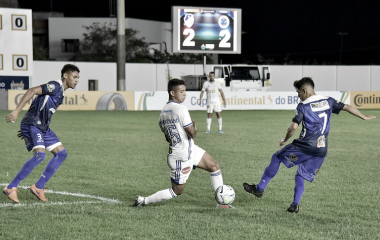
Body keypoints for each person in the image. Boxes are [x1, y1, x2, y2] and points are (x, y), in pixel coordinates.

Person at [243, 77, 376, 213]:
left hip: (304, 146)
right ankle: (295, 204)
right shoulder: (328, 101)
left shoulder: (303, 106)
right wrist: (363, 117)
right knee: (301, 175)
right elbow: (347, 107)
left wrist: (285, 140)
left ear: (304, 90)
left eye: (298, 92)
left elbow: (294, 126)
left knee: (276, 158)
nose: (298, 95)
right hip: (321, 149)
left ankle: (259, 189)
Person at [134, 78, 232, 208]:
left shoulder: (162, 114)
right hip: (181, 156)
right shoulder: (181, 109)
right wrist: (194, 126)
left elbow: (168, 138)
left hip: (189, 149)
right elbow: (192, 133)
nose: (184, 94)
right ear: (172, 93)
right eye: (182, 91)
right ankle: (143, 201)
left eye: (185, 91)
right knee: (177, 191)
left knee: (214, 166)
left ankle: (222, 203)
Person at [3, 64, 80, 203]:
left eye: (78, 78)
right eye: (74, 77)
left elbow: (40, 107)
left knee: (61, 153)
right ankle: (11, 187)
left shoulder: (60, 93)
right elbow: (32, 91)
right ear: (65, 76)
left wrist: (27, 129)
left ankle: (39, 187)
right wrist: (17, 112)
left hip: (41, 127)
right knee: (40, 155)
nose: (77, 80)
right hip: (34, 125)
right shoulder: (55, 86)